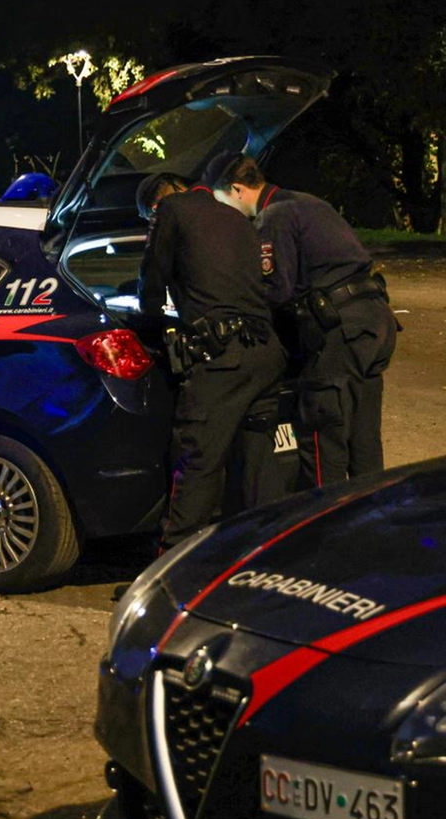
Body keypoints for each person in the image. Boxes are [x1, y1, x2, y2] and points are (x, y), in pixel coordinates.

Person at [211, 154, 398, 487]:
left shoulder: (273, 216)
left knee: (323, 434)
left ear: (237, 189)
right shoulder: (309, 203)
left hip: (338, 330)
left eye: (222, 200)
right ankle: (370, 520)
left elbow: (277, 289)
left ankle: (323, 528)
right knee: (363, 436)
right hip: (374, 322)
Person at [136, 172, 287, 550]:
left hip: (222, 358)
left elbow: (152, 278)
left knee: (197, 458)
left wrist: (151, 323)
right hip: (266, 352)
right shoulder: (238, 216)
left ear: (157, 203)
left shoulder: (170, 209)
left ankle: (171, 570)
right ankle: (267, 555)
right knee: (257, 462)